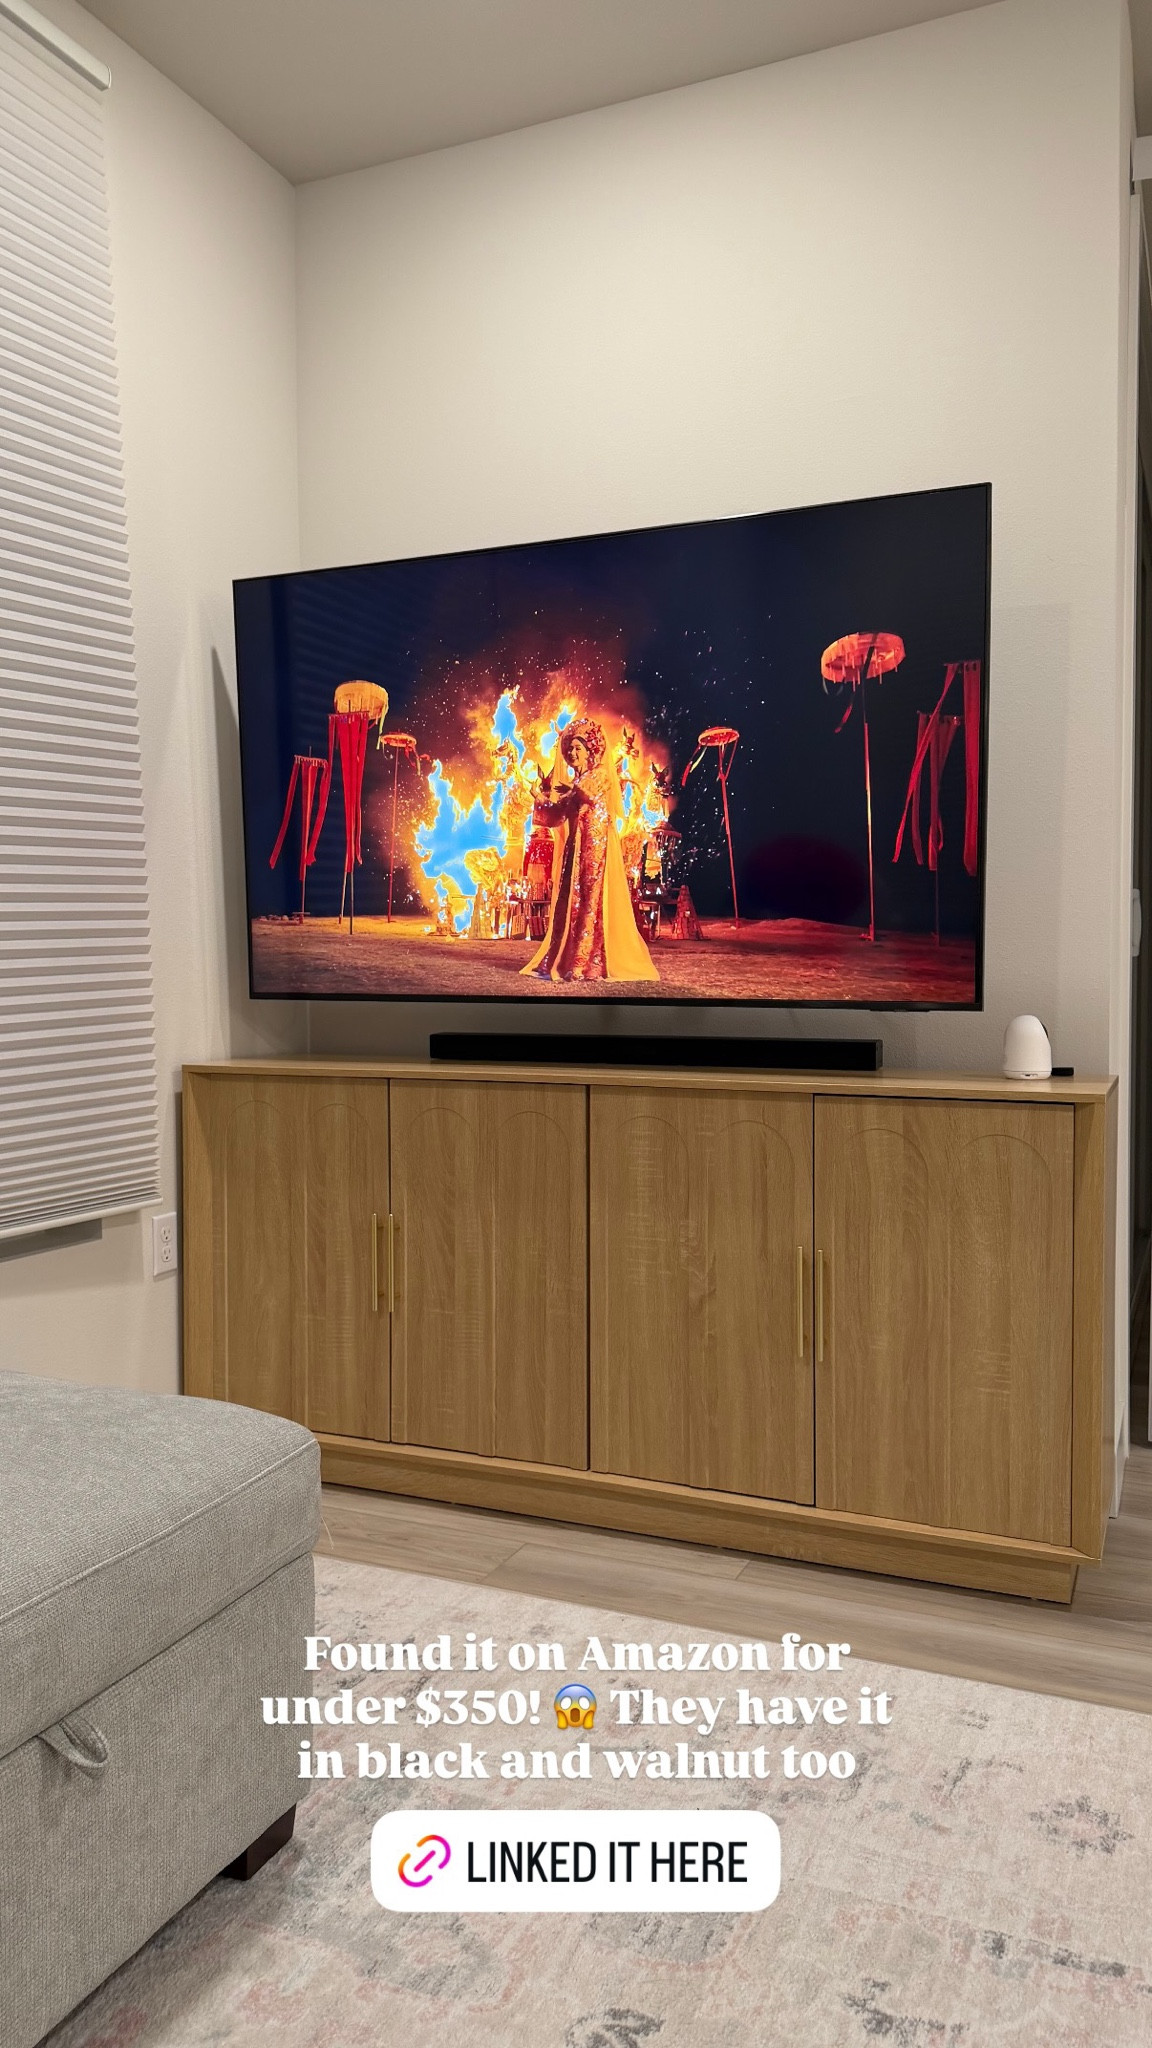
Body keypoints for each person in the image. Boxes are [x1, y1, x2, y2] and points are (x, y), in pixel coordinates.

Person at [522, 718, 658, 983]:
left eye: (578, 748)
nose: (573, 753)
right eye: (570, 749)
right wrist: (538, 797)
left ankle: (587, 962)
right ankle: (568, 958)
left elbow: (588, 794)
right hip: (576, 849)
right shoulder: (577, 780)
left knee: (591, 899)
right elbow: (558, 812)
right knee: (570, 900)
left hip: (596, 850)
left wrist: (572, 790)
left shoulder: (600, 775)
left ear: (590, 750)